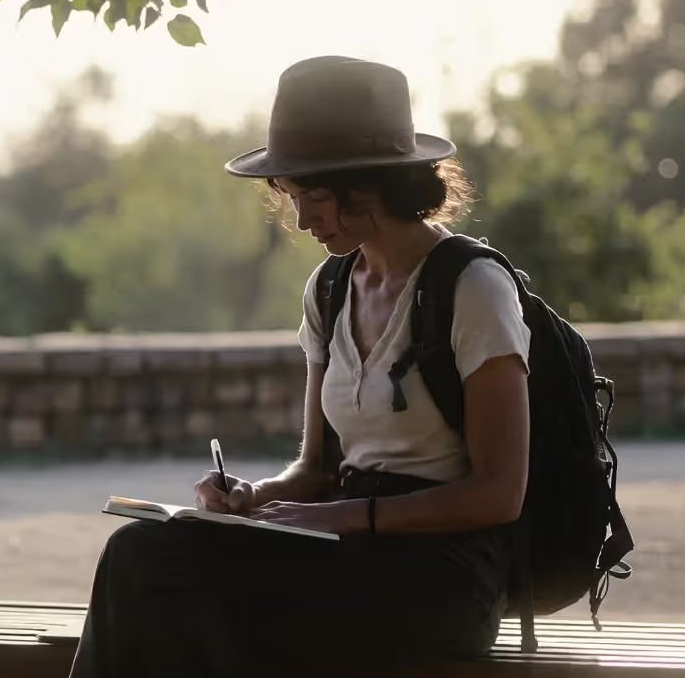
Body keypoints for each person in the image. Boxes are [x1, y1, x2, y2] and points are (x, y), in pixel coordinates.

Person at [67, 56, 534, 678]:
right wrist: (254, 500)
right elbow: (315, 471)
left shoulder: (472, 288)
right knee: (141, 552)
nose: (302, 219)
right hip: (341, 546)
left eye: (313, 196)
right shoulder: (330, 289)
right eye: (290, 197)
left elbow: (500, 496)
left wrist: (343, 516)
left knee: (207, 597)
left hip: (441, 573)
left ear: (371, 185)